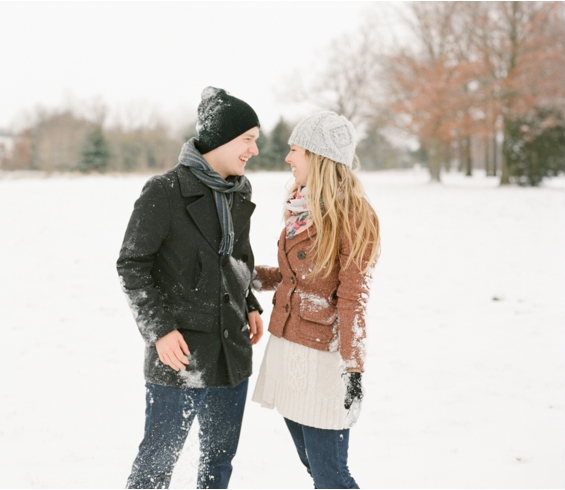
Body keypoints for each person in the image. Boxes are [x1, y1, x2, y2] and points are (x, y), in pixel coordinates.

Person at [116, 87, 264, 489]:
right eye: (248, 139)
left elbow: (237, 258)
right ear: (222, 139)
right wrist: (160, 331)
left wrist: (249, 302)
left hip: (231, 350)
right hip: (180, 353)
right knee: (156, 464)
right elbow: (132, 265)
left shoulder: (239, 191)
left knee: (219, 462)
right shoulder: (164, 191)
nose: (254, 149)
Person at [251, 111, 380, 489]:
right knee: (313, 464)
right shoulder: (300, 206)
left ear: (319, 156)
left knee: (330, 475)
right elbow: (296, 278)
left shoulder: (353, 215)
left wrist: (353, 368)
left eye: (295, 150)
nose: (287, 158)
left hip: (324, 358)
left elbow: (353, 297)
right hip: (288, 347)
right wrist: (249, 275)